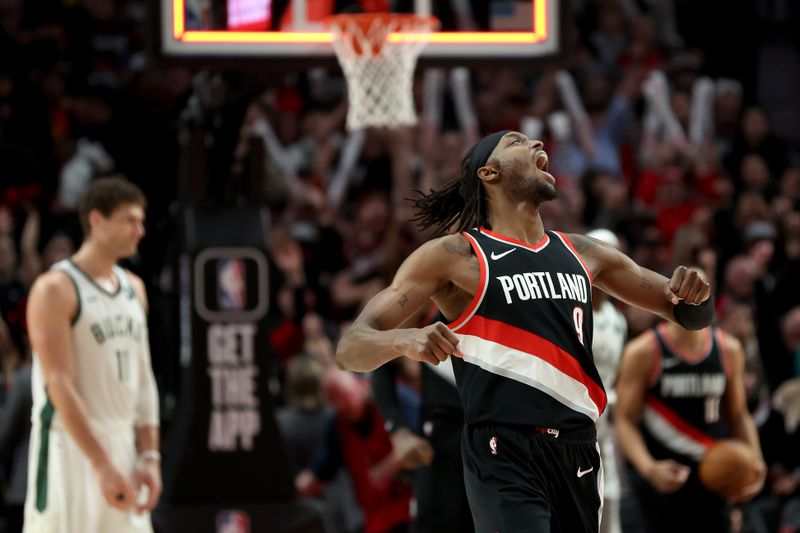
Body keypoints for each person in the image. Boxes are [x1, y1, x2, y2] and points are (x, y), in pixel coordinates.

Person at [335, 130, 713, 532]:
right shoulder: (455, 256)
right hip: (503, 447)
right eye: (518, 141)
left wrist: (697, 292)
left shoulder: (583, 252)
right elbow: (350, 347)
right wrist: (403, 340)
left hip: (579, 446)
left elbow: (688, 314)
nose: (538, 144)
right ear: (489, 172)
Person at [23, 177, 161, 533]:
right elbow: (59, 383)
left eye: (141, 221)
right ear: (97, 221)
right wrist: (101, 463)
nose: (140, 230)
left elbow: (144, 379)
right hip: (70, 447)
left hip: (123, 445)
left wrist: (150, 456)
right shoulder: (55, 289)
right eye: (130, 220)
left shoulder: (135, 288)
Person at [615, 306, 766, 533]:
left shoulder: (728, 348)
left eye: (702, 294)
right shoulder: (645, 350)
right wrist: (648, 468)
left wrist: (756, 460)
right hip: (663, 472)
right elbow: (624, 420)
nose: (695, 300)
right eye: (688, 293)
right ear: (671, 299)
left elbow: (737, 414)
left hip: (714, 472)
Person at [585, 228, 628, 533]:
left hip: (605, 417)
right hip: (576, 416)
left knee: (612, 494)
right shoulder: (573, 309)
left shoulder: (617, 319)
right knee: (587, 497)